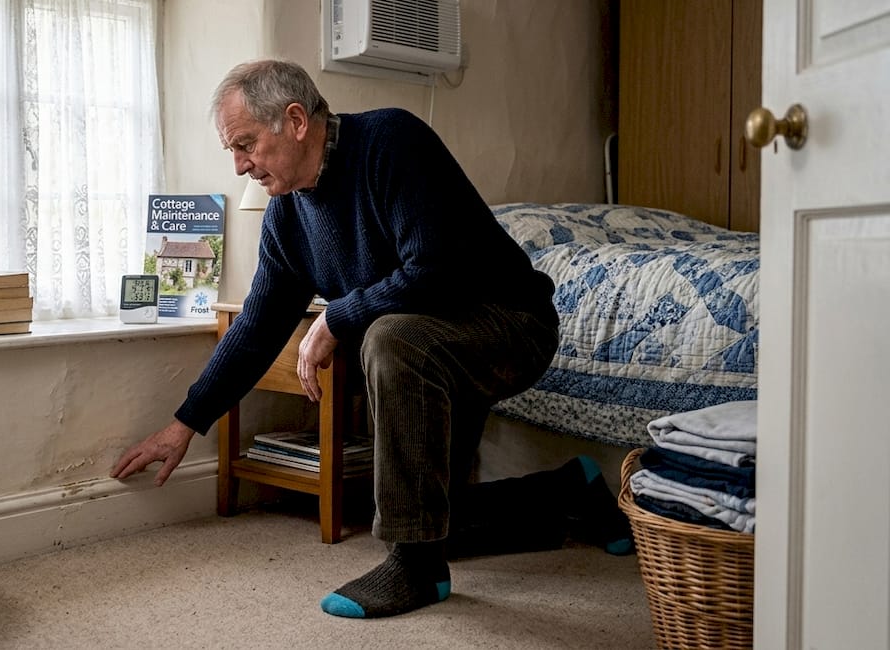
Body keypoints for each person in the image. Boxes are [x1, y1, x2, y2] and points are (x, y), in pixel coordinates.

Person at [111, 59, 629, 619]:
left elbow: (434, 268)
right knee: (441, 519)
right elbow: (258, 325)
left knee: (388, 336)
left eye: (246, 144)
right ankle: (572, 491)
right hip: (430, 346)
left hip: (509, 324)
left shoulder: (391, 140)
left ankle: (415, 568)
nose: (239, 165)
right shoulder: (286, 215)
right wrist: (186, 423)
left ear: (296, 121)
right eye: (232, 150)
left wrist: (337, 318)